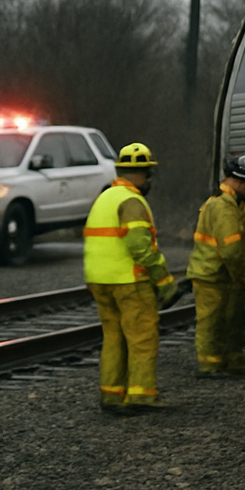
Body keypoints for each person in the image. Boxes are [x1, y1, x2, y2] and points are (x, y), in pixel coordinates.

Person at [83, 142, 179, 413]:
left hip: (99, 281)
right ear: (141, 173)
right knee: (142, 337)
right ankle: (141, 395)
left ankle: (112, 394)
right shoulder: (132, 201)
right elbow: (140, 247)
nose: (149, 181)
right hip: (129, 281)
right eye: (148, 174)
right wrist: (165, 282)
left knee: (113, 336)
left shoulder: (104, 197)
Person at [188, 155, 245, 377]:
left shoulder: (234, 204)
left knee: (232, 317)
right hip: (213, 274)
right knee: (211, 321)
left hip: (222, 273)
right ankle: (210, 364)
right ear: (240, 181)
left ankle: (233, 357)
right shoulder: (224, 206)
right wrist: (244, 277)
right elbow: (232, 251)